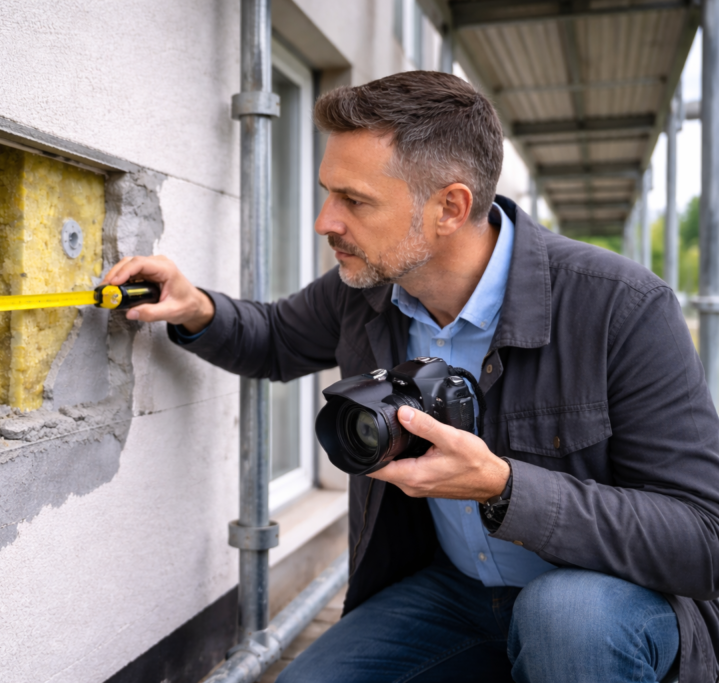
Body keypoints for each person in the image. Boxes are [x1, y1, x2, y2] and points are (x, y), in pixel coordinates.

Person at [103, 71, 719, 683]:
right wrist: (195, 308)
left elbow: (704, 537)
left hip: (599, 605)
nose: (324, 222)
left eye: (355, 200)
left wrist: (504, 487)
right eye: (327, 192)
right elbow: (275, 339)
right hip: (453, 592)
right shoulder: (368, 289)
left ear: (450, 207)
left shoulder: (621, 306)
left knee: (565, 619)